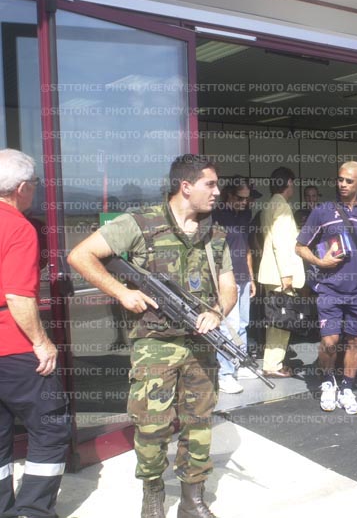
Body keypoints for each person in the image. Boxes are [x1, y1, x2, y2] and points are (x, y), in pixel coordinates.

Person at [68, 154, 236, 518]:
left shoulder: (215, 234)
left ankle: (192, 499)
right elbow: (81, 255)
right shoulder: (141, 223)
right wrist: (122, 292)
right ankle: (153, 494)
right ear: (185, 186)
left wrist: (217, 312)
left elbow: (229, 286)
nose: (217, 191)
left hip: (200, 345)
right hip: (154, 346)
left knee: (199, 423)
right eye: (210, 184)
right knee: (151, 427)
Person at [0, 149, 71, 518]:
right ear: (22, 188)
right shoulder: (18, 227)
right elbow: (17, 295)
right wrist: (42, 343)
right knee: (50, 428)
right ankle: (32, 510)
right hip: (13, 349)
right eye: (35, 184)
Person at [295, 161, 357, 415]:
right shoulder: (323, 211)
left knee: (356, 340)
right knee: (329, 341)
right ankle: (328, 381)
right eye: (340, 179)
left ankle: (346, 388)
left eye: (349, 181)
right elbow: (300, 246)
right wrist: (319, 261)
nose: (343, 184)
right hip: (330, 289)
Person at [212, 175, 260, 394]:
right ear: (229, 195)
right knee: (228, 326)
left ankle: (239, 364)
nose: (244, 202)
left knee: (242, 324)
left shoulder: (245, 214)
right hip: (226, 278)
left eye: (246, 199)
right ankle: (225, 374)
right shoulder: (217, 215)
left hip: (243, 276)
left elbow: (247, 247)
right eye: (240, 198)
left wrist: (251, 277)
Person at [257, 167, 306, 378]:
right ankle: (273, 365)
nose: (293, 187)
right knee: (281, 320)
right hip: (280, 273)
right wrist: (287, 274)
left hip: (272, 271)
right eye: (292, 183)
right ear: (288, 183)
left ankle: (273, 362)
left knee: (276, 319)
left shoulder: (270, 204)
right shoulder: (282, 206)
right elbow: (281, 242)